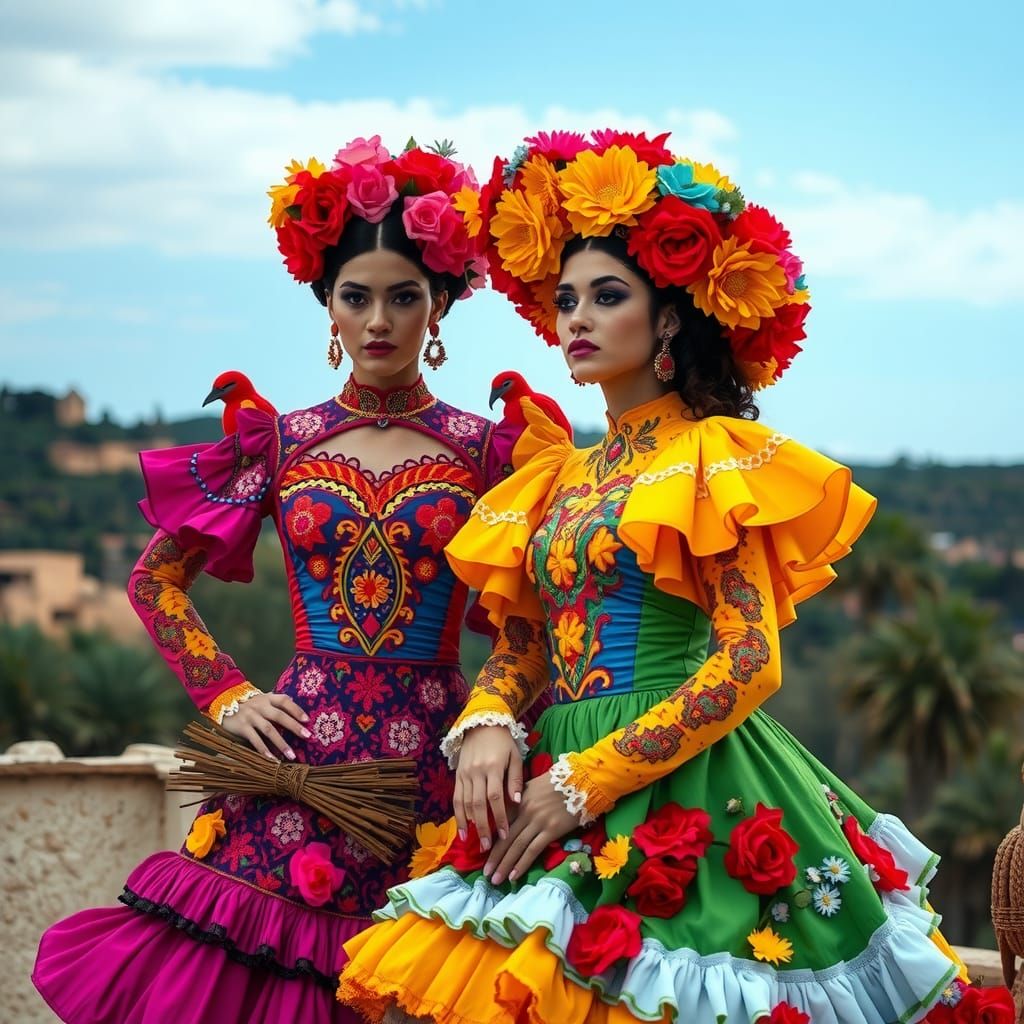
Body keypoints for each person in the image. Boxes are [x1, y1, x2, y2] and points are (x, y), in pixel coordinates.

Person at [337, 129, 1010, 1024]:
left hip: (683, 784)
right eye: (566, 297)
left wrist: (589, 782)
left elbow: (748, 660)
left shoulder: (710, 459)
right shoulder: (558, 475)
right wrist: (490, 721)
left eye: (607, 296)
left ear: (666, 320)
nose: (576, 317)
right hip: (550, 790)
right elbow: (525, 648)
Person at [33, 136, 547, 1023]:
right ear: (328, 307)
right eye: (358, 297)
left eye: (404, 297)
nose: (379, 320)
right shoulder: (278, 442)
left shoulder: (493, 453)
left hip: (440, 776)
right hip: (294, 768)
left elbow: (532, 626)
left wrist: (493, 718)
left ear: (440, 310)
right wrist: (227, 694)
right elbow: (156, 583)